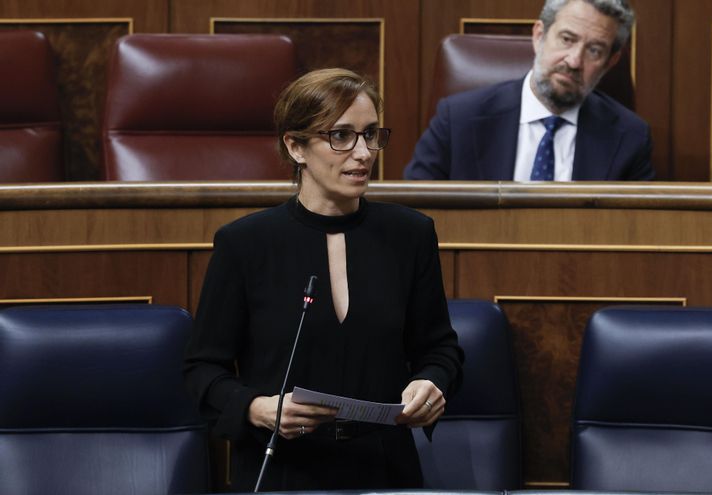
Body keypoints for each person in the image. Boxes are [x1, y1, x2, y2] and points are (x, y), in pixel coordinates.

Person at [183, 68, 464, 492]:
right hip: (283, 468)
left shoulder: (410, 235)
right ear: (295, 146)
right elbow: (202, 369)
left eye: (371, 135)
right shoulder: (245, 243)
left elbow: (439, 348)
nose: (363, 152)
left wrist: (433, 383)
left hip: (384, 467)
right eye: (341, 136)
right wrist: (257, 408)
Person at [404, 0, 654, 181]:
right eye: (567, 39)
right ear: (539, 36)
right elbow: (415, 214)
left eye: (595, 50)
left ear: (610, 62)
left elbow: (637, 233)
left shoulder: (630, 138)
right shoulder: (457, 119)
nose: (574, 61)